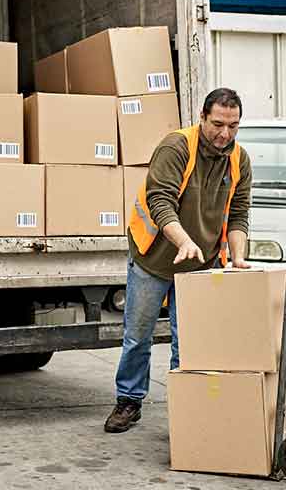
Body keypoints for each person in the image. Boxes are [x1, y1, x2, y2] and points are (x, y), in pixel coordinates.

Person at [104, 88, 253, 433]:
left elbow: (240, 212)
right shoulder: (176, 147)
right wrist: (184, 241)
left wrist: (239, 257)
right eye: (217, 124)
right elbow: (160, 201)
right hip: (153, 258)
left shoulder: (239, 159)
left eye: (233, 126)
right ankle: (128, 401)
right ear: (202, 117)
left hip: (200, 265)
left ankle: (188, 410)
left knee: (188, 342)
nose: (225, 134)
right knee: (138, 335)